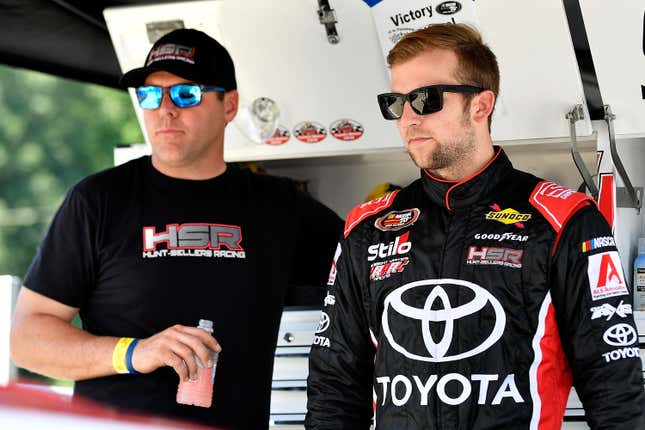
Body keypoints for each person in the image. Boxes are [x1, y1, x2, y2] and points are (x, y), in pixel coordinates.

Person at [306, 23, 645, 429]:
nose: (408, 119)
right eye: (396, 102)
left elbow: (615, 389)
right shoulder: (367, 228)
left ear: (481, 105)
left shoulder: (565, 220)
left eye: (426, 99)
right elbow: (335, 386)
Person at [10, 28, 343, 429]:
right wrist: (134, 353)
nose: (165, 109)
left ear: (229, 105)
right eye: (151, 95)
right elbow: (27, 340)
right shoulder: (98, 201)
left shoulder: (279, 208)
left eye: (186, 94)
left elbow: (371, 274)